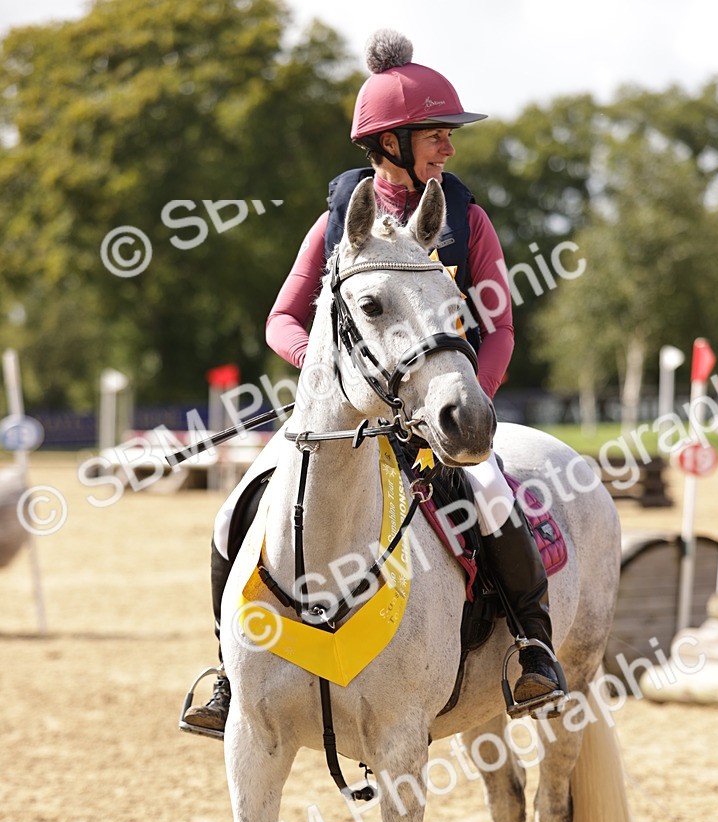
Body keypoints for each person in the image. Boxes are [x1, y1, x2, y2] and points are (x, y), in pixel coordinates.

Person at [182, 30, 565, 736]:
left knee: (491, 495)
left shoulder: (466, 219)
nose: (448, 146)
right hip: (344, 416)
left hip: (438, 415)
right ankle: (226, 672)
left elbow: (501, 326)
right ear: (390, 141)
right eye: (436, 133)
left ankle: (532, 647)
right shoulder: (333, 228)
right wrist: (330, 373)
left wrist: (462, 397)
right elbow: (282, 322)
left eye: (448, 134)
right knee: (235, 508)